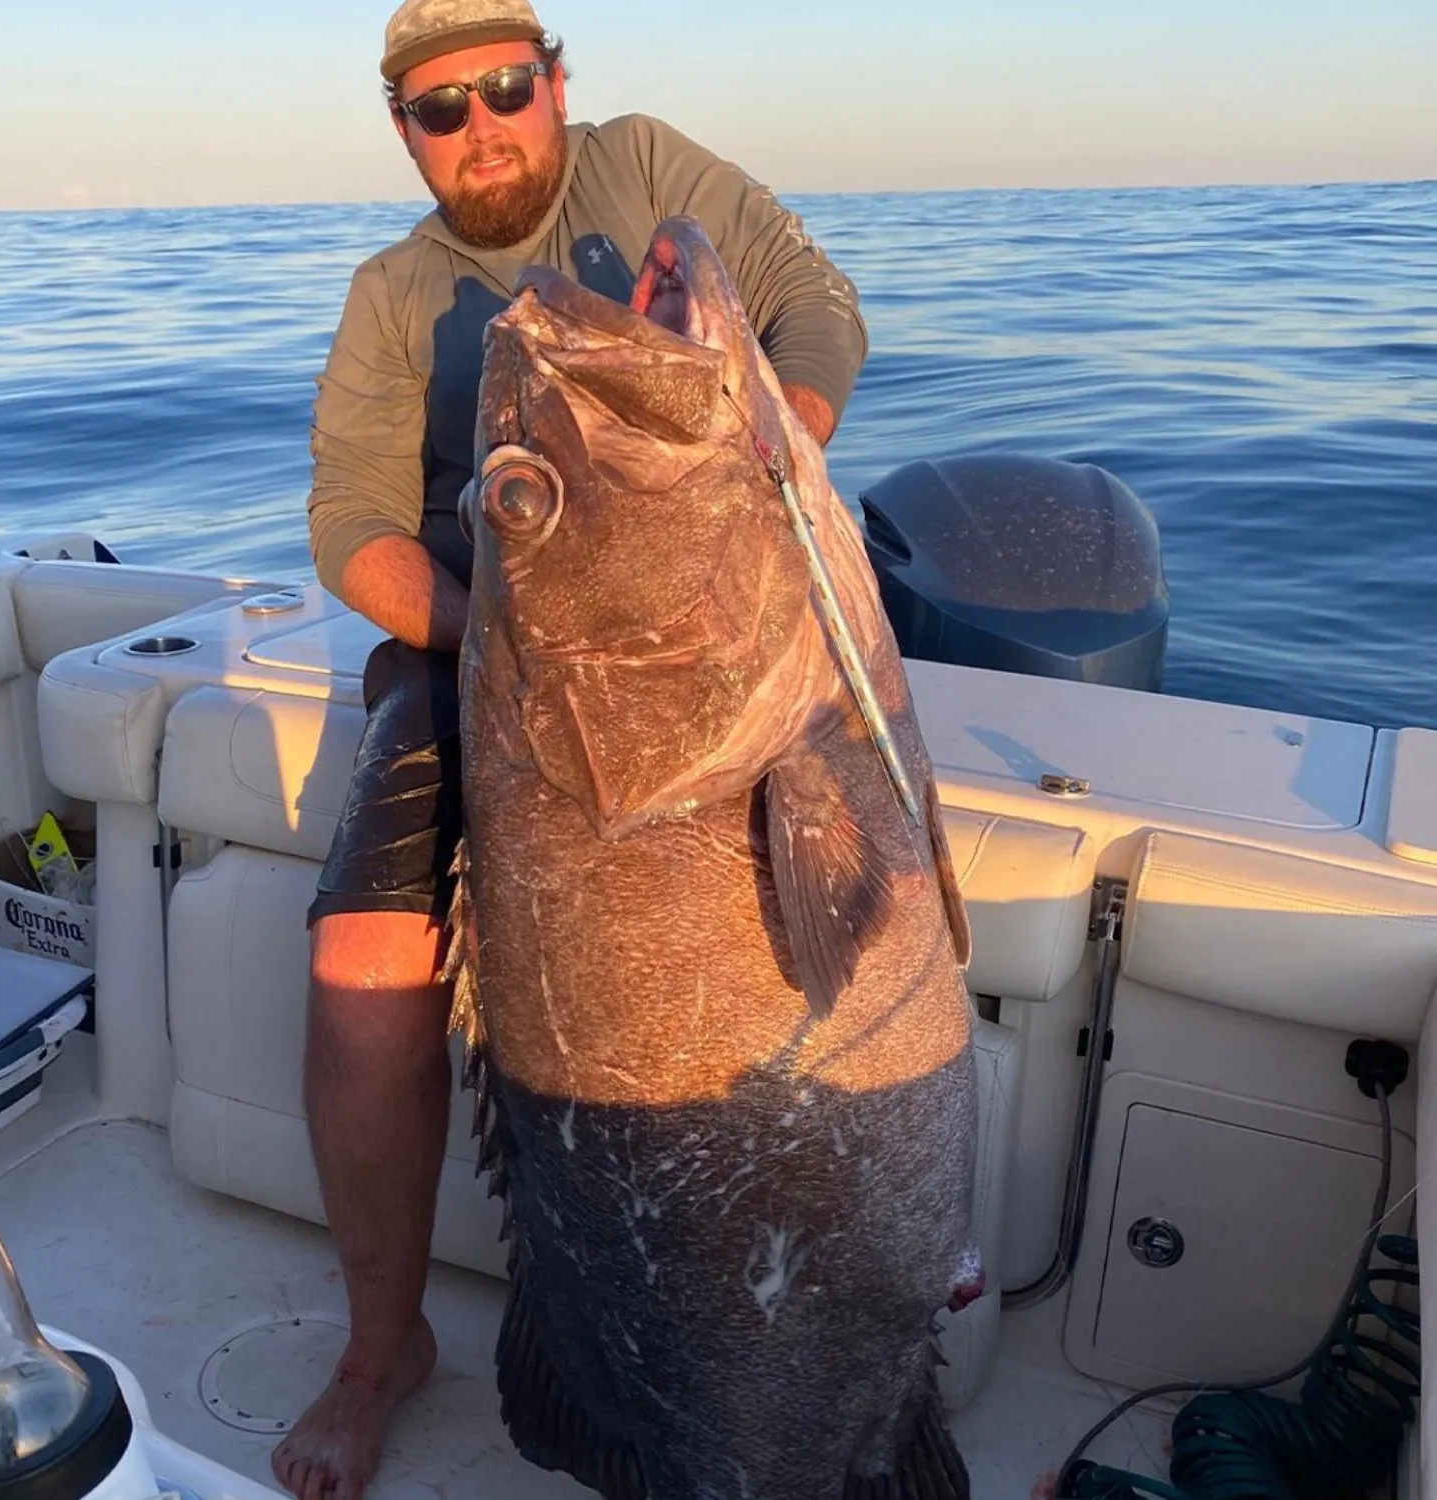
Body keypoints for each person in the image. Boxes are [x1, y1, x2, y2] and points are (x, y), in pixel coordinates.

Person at [275, 1, 870, 1496]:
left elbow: (814, 304)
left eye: (506, 88)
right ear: (403, 129)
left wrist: (765, 451)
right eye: (439, 109)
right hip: (481, 647)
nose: (481, 128)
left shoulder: (647, 172)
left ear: (556, 82)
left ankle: (847, 1312)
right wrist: (513, 629)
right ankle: (376, 1347)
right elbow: (349, 528)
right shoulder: (394, 293)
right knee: (361, 964)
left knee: (850, 929)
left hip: (720, 609)